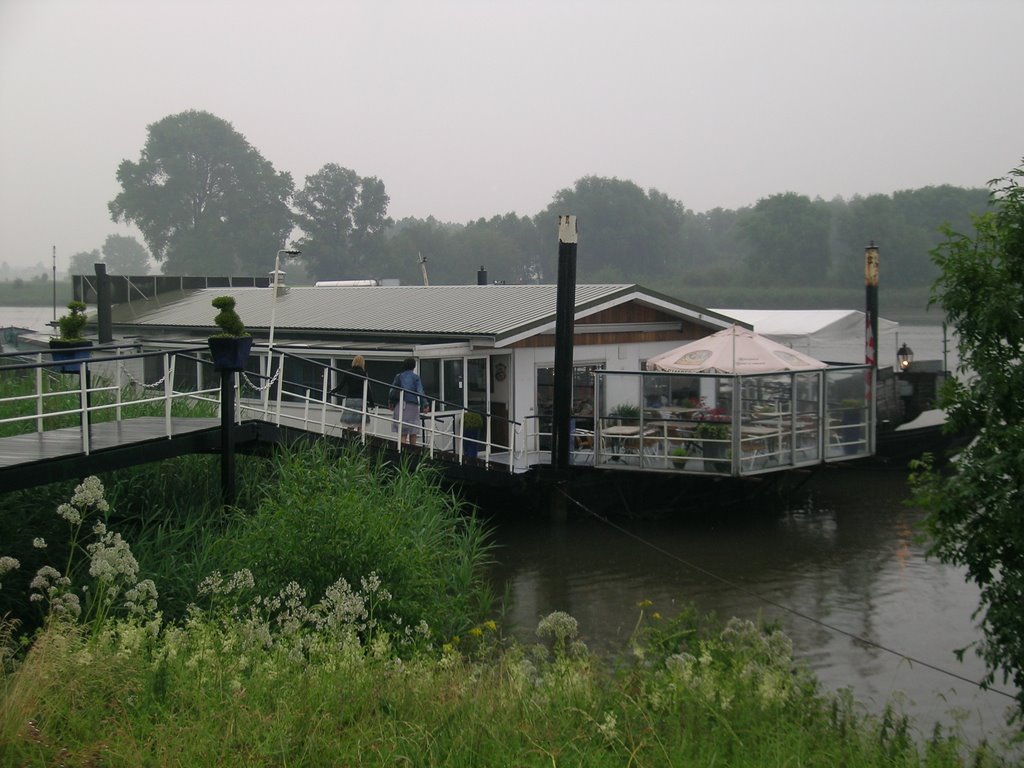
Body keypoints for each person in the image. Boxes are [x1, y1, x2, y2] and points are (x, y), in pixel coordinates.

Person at [388, 357, 429, 445]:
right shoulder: (416, 378)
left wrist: (391, 402)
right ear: (414, 366)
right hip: (412, 406)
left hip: (400, 405)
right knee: (413, 432)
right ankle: (413, 453)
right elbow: (420, 391)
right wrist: (424, 404)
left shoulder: (399, 376)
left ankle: (402, 452)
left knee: (403, 433)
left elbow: (392, 391)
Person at [331, 355, 375, 432]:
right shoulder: (363, 374)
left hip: (350, 400)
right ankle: (359, 441)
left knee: (350, 424)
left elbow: (341, 385)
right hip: (360, 400)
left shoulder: (348, 372)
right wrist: (371, 402)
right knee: (360, 424)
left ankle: (348, 439)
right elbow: (368, 389)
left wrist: (333, 391)